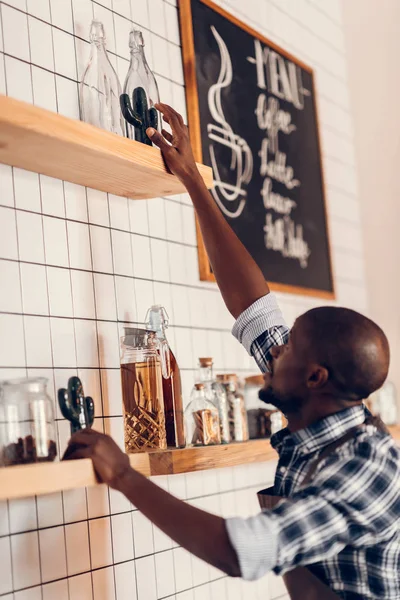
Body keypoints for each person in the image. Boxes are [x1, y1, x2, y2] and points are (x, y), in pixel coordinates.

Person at [64, 104, 400, 600]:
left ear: (315, 377)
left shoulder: (365, 470)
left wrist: (122, 475)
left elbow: (240, 550)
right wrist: (193, 181)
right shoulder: (319, 406)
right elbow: (255, 309)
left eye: (288, 350)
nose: (275, 351)